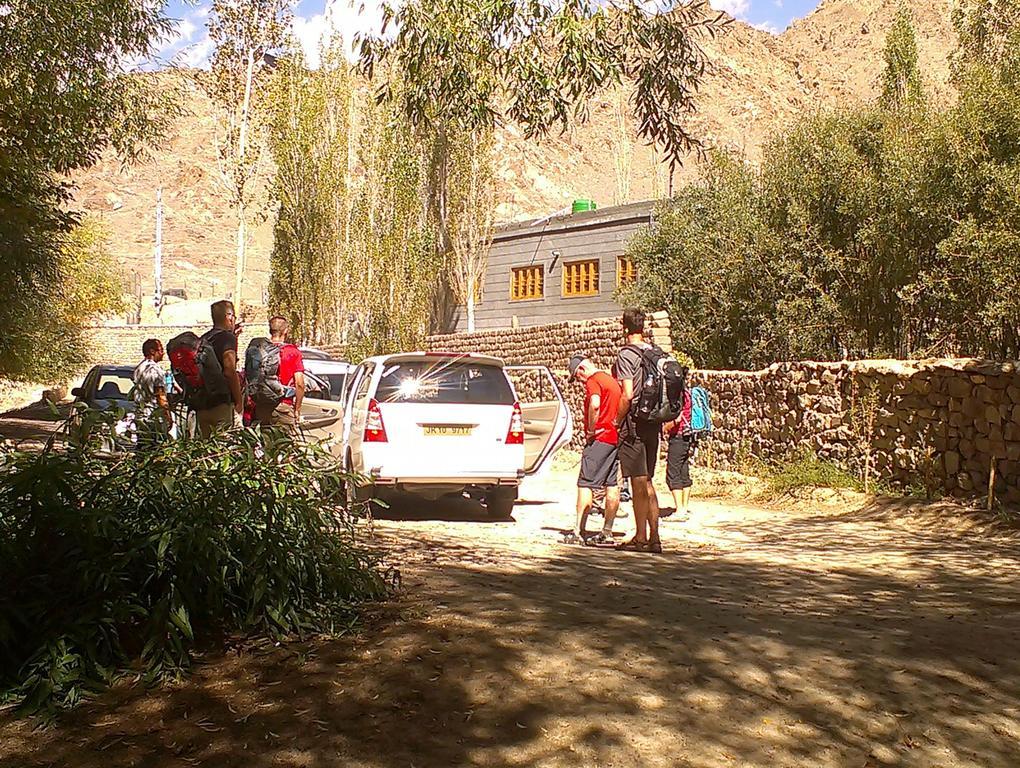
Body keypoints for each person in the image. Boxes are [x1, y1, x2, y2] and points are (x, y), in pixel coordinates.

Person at [614, 308, 662, 553]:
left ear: (624, 329)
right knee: (649, 481)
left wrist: (616, 420)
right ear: (642, 328)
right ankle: (655, 537)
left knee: (637, 482)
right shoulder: (654, 352)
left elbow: (628, 394)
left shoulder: (626, 355)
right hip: (654, 422)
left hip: (634, 424)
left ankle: (641, 537)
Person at [563, 355, 622, 546]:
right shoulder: (611, 380)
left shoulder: (593, 380)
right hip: (615, 438)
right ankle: (607, 532)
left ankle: (578, 531)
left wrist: (591, 429)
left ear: (581, 370)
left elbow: (595, 404)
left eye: (577, 377)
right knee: (611, 484)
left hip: (600, 438)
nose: (579, 381)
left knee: (585, 483)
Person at [195, 300, 244, 438]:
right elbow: (229, 370)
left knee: (206, 453)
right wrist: (239, 401)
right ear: (229, 317)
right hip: (221, 405)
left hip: (202, 404)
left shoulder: (203, 339)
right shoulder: (228, 338)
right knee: (223, 451)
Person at [253, 315, 305, 431]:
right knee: (285, 446)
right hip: (283, 406)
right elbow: (300, 384)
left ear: (270, 330)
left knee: (265, 444)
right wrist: (297, 409)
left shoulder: (261, 350)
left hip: (262, 406)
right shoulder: (293, 352)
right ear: (285, 331)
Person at [132, 338, 173, 447]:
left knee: (142, 447)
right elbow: (160, 394)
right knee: (156, 448)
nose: (162, 353)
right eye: (160, 350)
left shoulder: (139, 368)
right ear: (152, 351)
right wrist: (167, 415)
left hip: (140, 415)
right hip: (153, 416)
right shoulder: (156, 370)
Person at [664, 388, 696, 518]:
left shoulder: (677, 396)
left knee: (673, 473)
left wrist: (665, 427)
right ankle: (684, 506)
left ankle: (680, 510)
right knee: (684, 471)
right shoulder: (687, 393)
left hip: (678, 436)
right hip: (687, 436)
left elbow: (677, 419)